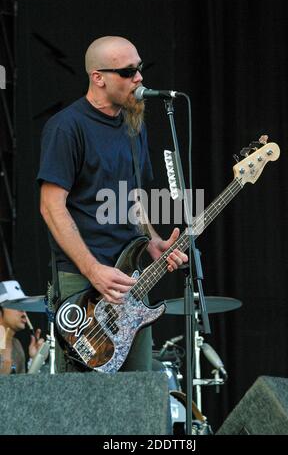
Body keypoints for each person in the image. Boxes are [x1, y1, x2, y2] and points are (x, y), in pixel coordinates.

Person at [37, 35, 188, 373]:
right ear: (98, 77)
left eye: (140, 69)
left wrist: (152, 242)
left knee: (136, 395)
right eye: (128, 71)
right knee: (83, 403)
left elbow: (133, 197)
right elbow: (50, 207)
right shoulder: (67, 127)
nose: (139, 79)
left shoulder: (134, 125)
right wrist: (93, 271)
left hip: (131, 277)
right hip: (83, 279)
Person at [0, 281, 45, 374]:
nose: (24, 313)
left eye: (24, 307)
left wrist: (35, 360)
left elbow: (22, 387)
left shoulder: (16, 345)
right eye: (17, 305)